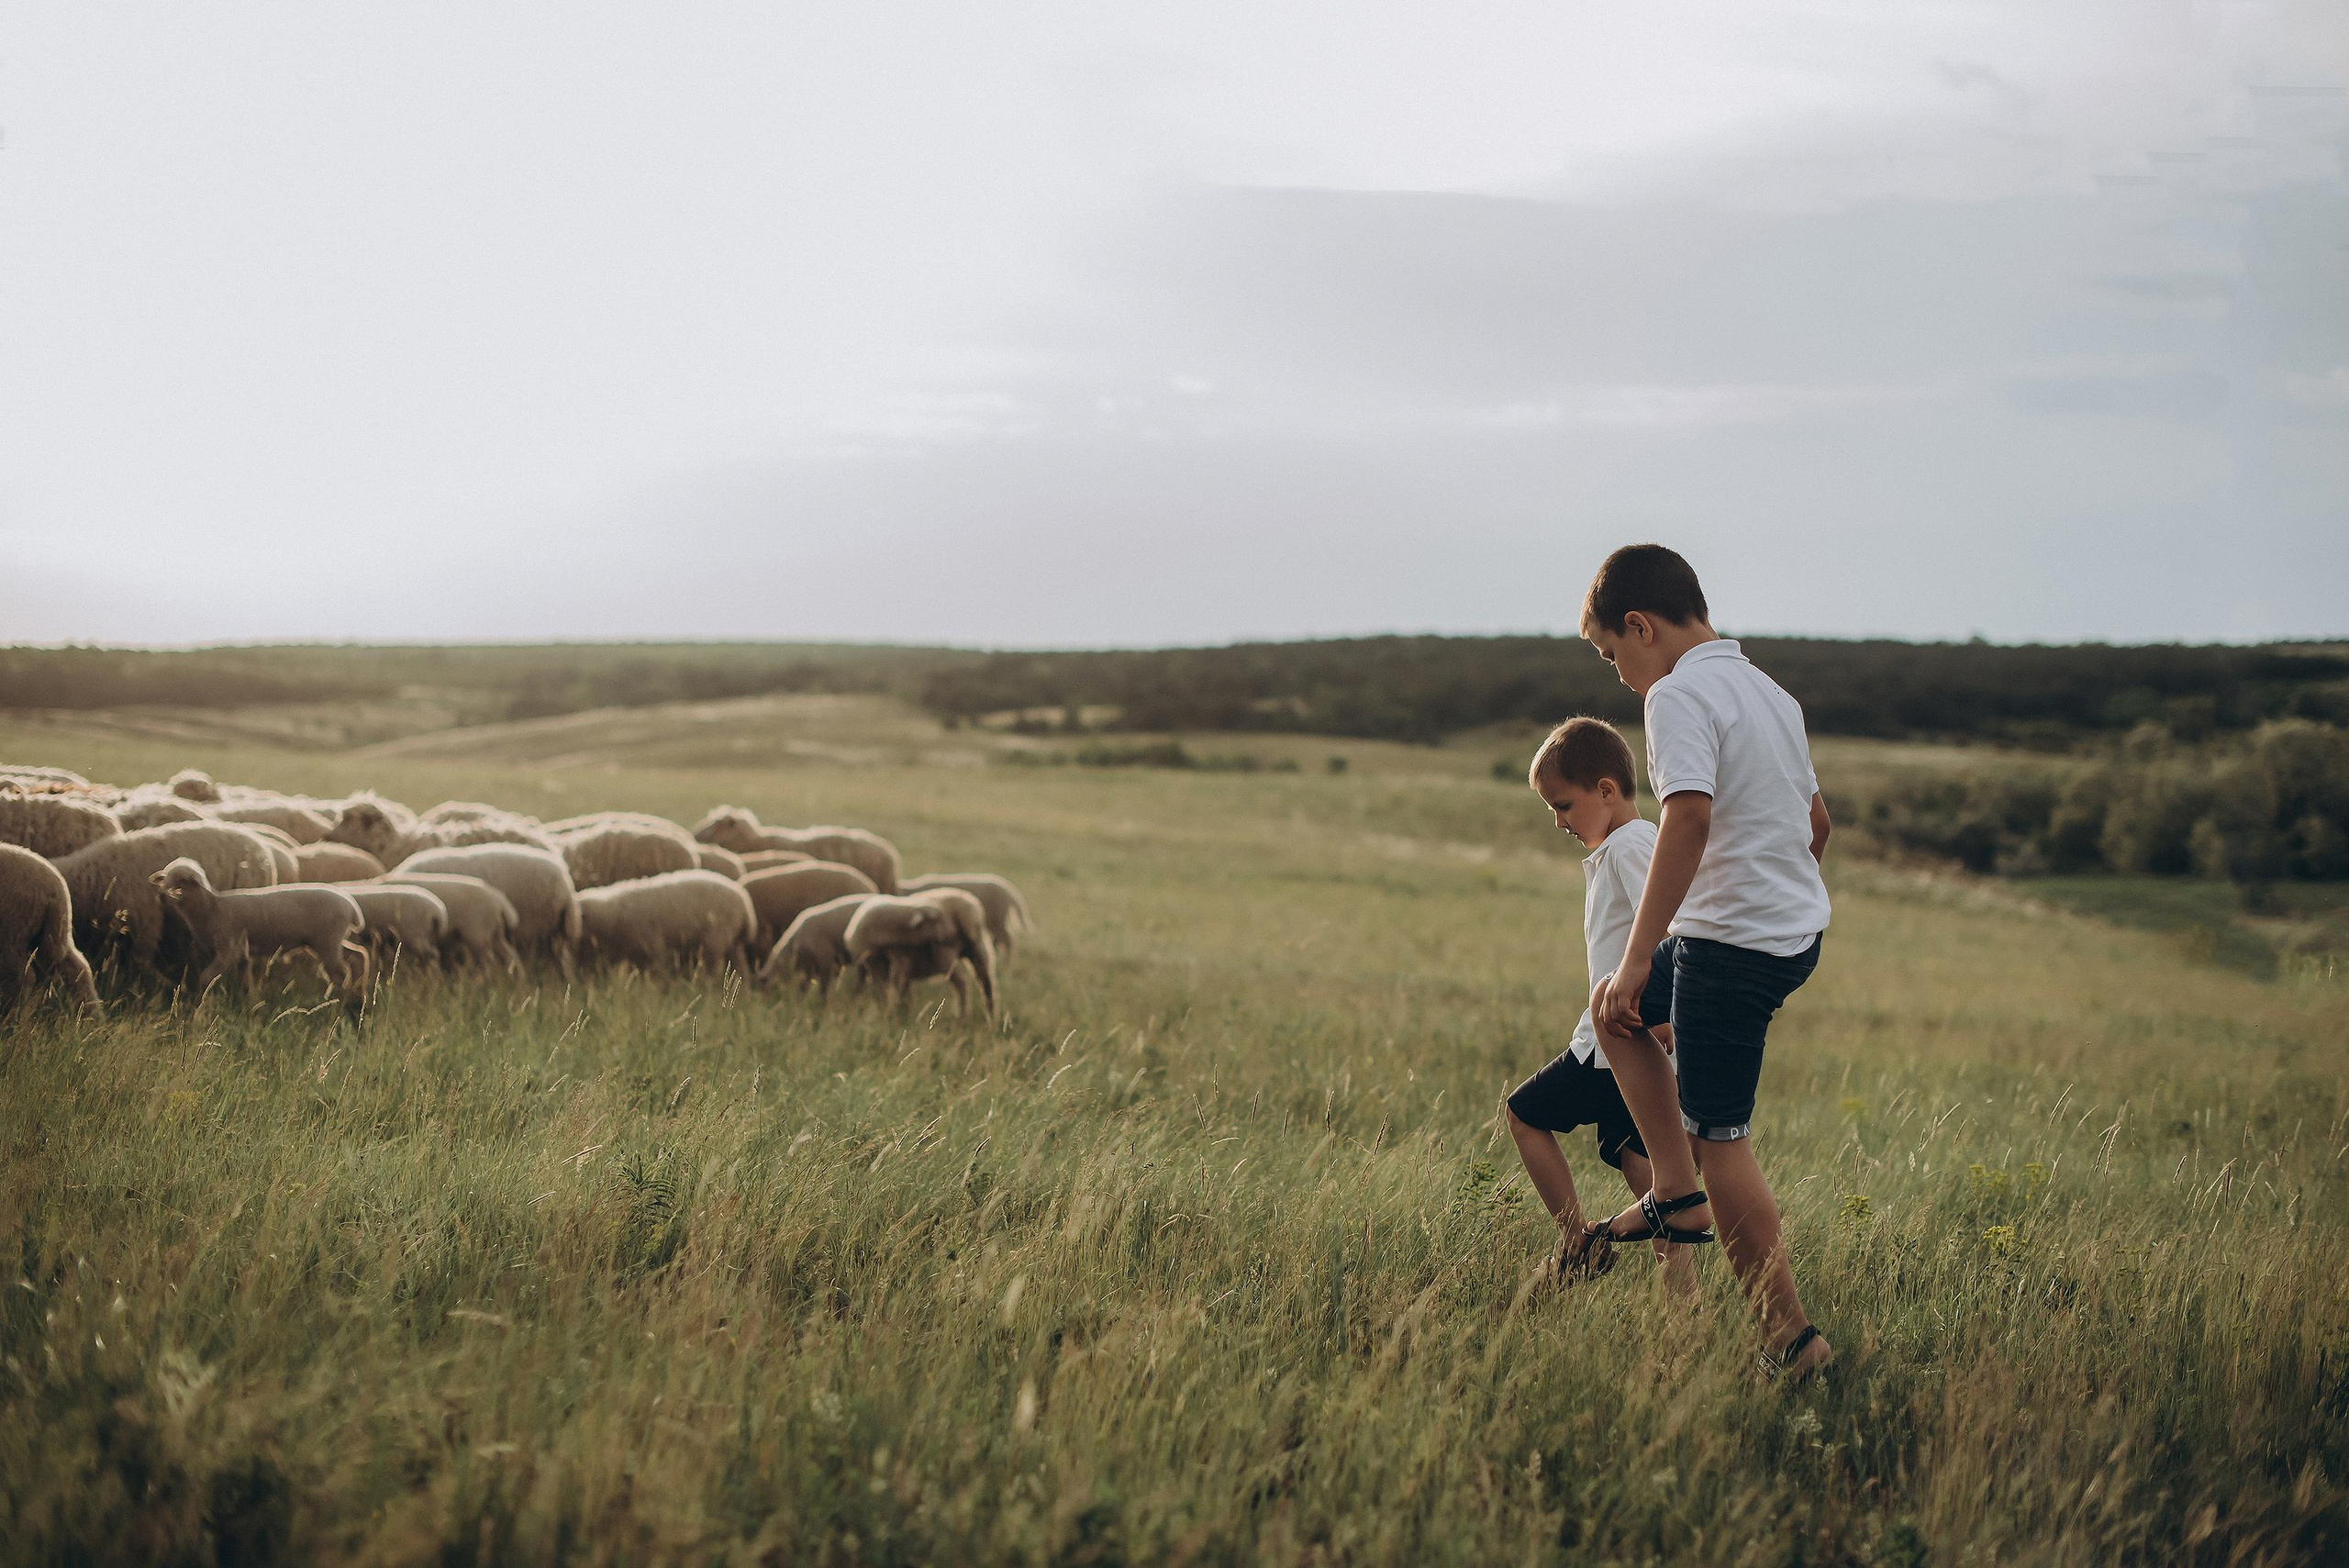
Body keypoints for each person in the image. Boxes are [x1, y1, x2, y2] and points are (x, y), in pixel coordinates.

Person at [1577, 544, 1836, 1380]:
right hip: (1787, 931)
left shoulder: (1677, 694)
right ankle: (1676, 1194)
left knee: (1721, 1136)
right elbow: (1816, 826)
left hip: (1734, 947)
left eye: (1615, 655)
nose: (1621, 676)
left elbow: (1685, 821)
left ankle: (1791, 1344)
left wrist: (1642, 952)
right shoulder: (1769, 691)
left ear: (1641, 626)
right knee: (1615, 1011)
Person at [1503, 717, 1693, 1293]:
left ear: (1606, 790)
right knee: (1645, 1167)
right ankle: (1681, 1305)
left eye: (1563, 805)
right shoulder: (1628, 845)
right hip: (1630, 1038)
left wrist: (1660, 1016)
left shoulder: (1632, 846)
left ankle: (1579, 1242)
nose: (1559, 821)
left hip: (1614, 1039)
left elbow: (1670, 930)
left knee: (1525, 1114)